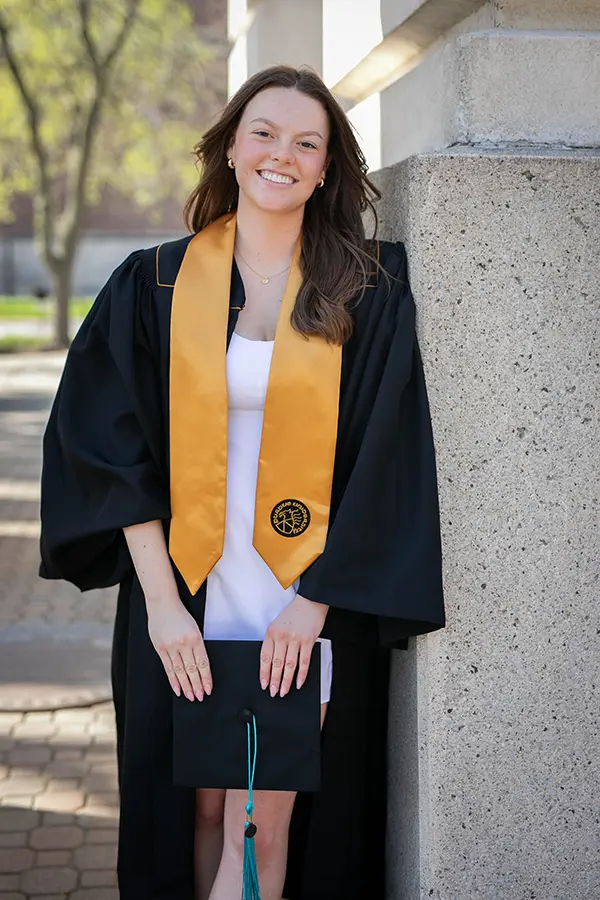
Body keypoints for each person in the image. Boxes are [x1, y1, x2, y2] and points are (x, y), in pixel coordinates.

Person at [39, 64, 445, 900]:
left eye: (307, 143)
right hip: (187, 587)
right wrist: (160, 609)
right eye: (263, 133)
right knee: (194, 809)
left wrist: (314, 602)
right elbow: (112, 451)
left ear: (327, 166)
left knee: (259, 820)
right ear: (230, 146)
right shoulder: (153, 283)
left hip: (302, 593)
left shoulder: (364, 290)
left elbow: (383, 458)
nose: (281, 155)